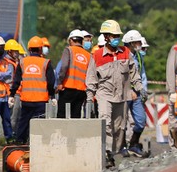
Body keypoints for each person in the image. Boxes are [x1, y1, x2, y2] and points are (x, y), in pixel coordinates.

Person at [85, 20, 143, 162]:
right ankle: (106, 153)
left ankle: (114, 152)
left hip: (121, 95)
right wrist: (89, 96)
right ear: (105, 37)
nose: (116, 38)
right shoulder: (97, 55)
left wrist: (140, 88)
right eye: (113, 36)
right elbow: (92, 77)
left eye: (117, 35)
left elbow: (133, 72)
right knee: (106, 122)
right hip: (104, 94)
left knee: (119, 127)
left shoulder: (126, 52)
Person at [9, 36, 55, 144]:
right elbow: (51, 82)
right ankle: (38, 143)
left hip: (26, 100)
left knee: (24, 122)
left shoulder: (22, 62)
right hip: (41, 101)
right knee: (39, 124)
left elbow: (16, 81)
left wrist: (11, 95)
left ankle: (20, 143)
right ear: (40, 49)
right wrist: (52, 96)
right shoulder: (46, 63)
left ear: (29, 49)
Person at [122, 30, 149, 157]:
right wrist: (129, 90)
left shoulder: (138, 56)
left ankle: (133, 144)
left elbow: (141, 74)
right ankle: (121, 146)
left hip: (137, 92)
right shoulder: (122, 55)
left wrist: (143, 89)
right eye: (137, 41)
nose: (140, 44)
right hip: (124, 92)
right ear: (131, 43)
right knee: (121, 122)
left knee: (141, 120)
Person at [56, 29, 91, 118]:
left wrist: (59, 83)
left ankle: (62, 132)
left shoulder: (69, 50)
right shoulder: (88, 55)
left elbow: (63, 67)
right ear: (81, 41)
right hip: (81, 90)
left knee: (62, 116)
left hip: (68, 88)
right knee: (76, 117)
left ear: (71, 40)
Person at [4, 39, 23, 135]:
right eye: (15, 51)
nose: (17, 53)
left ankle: (14, 135)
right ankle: (12, 136)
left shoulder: (14, 62)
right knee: (13, 117)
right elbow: (10, 80)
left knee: (17, 117)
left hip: (17, 93)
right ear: (9, 51)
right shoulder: (9, 63)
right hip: (13, 94)